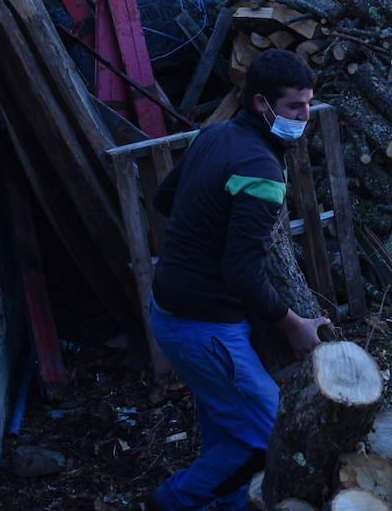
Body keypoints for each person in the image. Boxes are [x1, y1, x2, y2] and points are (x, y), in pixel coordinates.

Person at [145, 49, 331, 511]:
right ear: (261, 104)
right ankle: (172, 502)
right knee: (266, 438)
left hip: (173, 311)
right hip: (204, 327)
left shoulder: (214, 135)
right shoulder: (261, 170)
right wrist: (292, 324)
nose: (305, 117)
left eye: (309, 104)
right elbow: (241, 270)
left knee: (228, 425)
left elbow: (166, 199)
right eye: (295, 107)